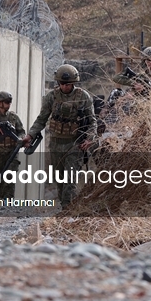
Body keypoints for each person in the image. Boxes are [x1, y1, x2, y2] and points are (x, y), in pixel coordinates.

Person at [22, 64, 97, 208]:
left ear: (74, 83)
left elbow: (93, 121)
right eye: (62, 84)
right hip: (56, 143)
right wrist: (30, 135)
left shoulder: (83, 96)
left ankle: (68, 210)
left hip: (74, 144)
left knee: (70, 180)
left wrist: (89, 139)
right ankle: (65, 208)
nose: (65, 87)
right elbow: (41, 119)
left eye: (68, 84)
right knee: (60, 179)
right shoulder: (52, 97)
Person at [0, 91, 26, 200]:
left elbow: (22, 131)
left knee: (9, 178)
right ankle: (0, 203)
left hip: (12, 152)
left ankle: (8, 203)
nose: (9, 104)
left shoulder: (14, 117)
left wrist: (21, 139)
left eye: (9, 102)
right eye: (6, 102)